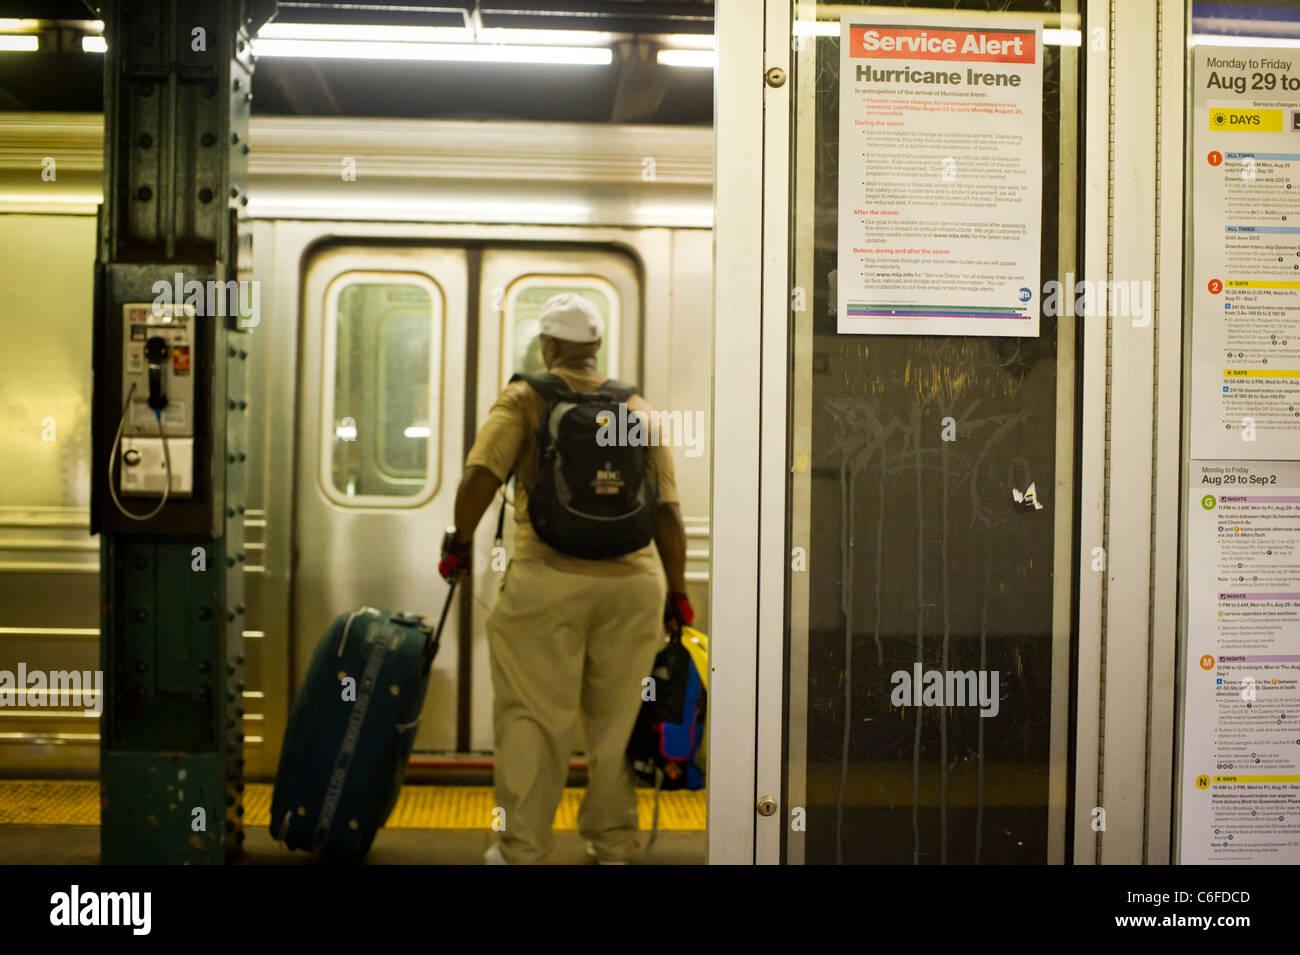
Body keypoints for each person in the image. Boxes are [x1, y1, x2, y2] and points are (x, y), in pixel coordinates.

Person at [438, 292, 693, 865]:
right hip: (633, 587)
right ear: (595, 348)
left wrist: (458, 543)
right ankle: (612, 843)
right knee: (617, 719)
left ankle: (522, 848)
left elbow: (480, 475)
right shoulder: (637, 408)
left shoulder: (526, 398)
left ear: (548, 346)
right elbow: (669, 514)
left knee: (533, 716)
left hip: (546, 581)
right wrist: (677, 594)